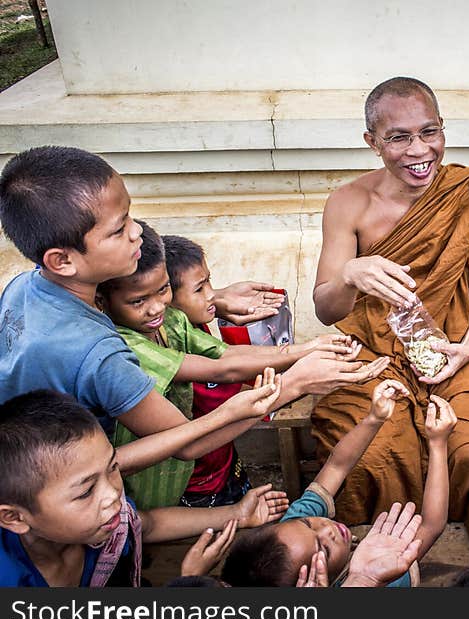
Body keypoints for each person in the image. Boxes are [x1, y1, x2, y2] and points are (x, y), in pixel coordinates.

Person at [0, 145, 389, 479]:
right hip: (69, 501)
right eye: (118, 231)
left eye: (130, 217)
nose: (137, 232)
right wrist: (294, 385)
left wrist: (213, 299)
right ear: (62, 260)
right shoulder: (99, 355)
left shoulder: (24, 287)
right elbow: (190, 441)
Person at [309, 77, 469, 552]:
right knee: (373, 456)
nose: (419, 151)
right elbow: (326, 309)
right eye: (399, 137)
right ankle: (372, 559)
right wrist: (351, 273)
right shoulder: (349, 203)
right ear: (372, 142)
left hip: (457, 348)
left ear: (443, 128)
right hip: (372, 355)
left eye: (429, 132)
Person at [96, 221, 358, 509]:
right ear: (102, 302)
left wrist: (308, 348)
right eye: (138, 301)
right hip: (173, 484)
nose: (157, 307)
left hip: (218, 463)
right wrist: (296, 380)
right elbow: (220, 371)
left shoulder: (172, 319)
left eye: (163, 291)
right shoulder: (128, 346)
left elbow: (226, 356)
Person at [0, 390, 289, 587]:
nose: (113, 494)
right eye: (86, 491)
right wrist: (189, 581)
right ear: (14, 518)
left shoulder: (105, 526)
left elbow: (146, 525)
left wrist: (237, 513)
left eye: (113, 468)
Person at [221, 380, 455, 587]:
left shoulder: (292, 531)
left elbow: (336, 467)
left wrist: (374, 418)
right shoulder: (387, 574)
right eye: (324, 549)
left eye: (309, 523)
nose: (328, 529)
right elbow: (432, 526)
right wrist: (437, 444)